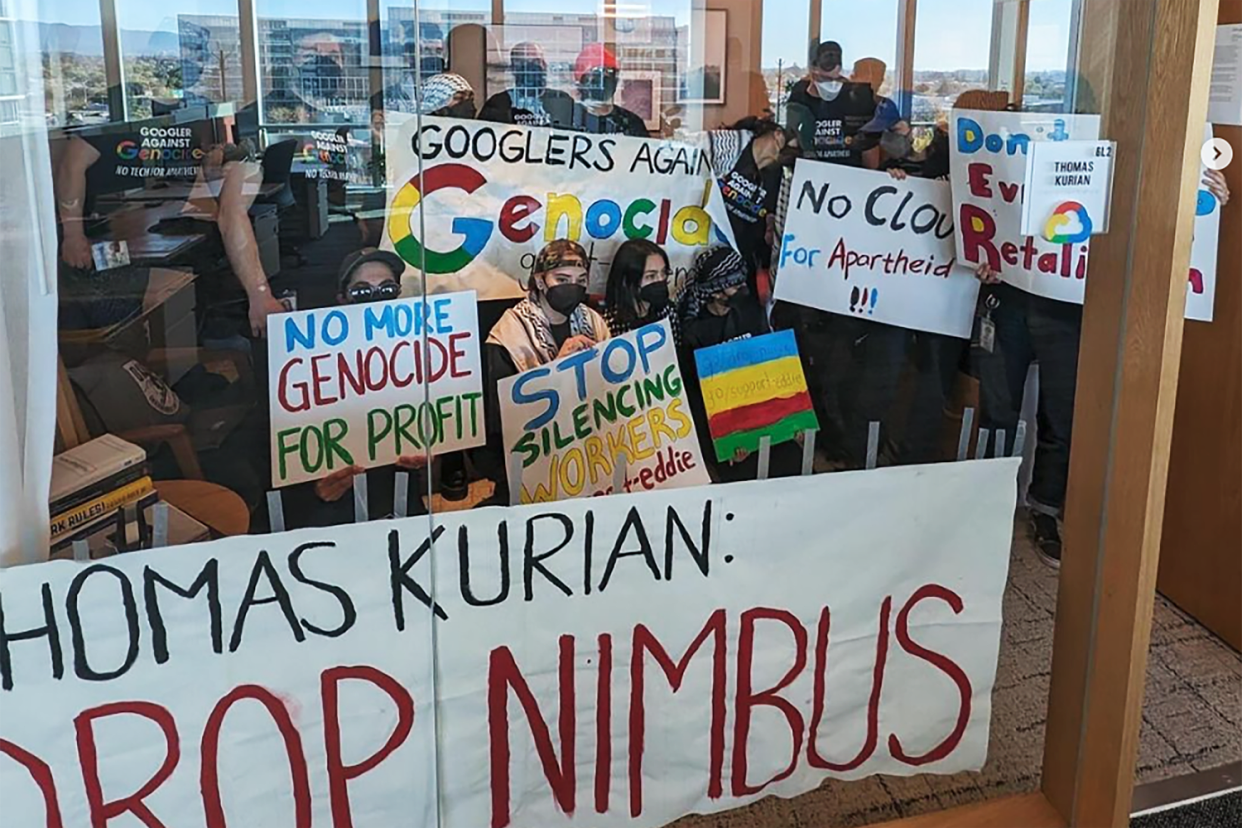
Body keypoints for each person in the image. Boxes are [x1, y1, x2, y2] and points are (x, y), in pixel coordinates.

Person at [966, 90, 1232, 566]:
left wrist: (1203, 192)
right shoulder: (1024, 148)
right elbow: (990, 207)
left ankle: (1044, 510)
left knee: (1063, 416)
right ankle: (984, 506)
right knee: (998, 410)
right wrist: (984, 257)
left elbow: (1155, 205)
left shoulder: (1126, 159)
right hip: (1008, 296)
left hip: (1071, 307)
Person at [53, 123, 285, 337]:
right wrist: (73, 234)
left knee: (131, 276)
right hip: (90, 240)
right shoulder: (129, 125)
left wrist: (260, 293)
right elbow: (72, 162)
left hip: (124, 243)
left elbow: (230, 216)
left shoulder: (236, 169)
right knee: (113, 286)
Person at [283, 248, 428, 528]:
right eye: (362, 292)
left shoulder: (417, 355)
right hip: (333, 516)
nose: (375, 300)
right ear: (342, 299)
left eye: (386, 289)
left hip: (400, 506)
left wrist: (432, 454)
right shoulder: (310, 365)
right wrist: (312, 492)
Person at [477, 240, 612, 503]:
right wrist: (556, 369)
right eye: (562, 278)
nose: (572, 287)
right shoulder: (509, 335)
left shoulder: (593, 321)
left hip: (588, 455)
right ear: (540, 281)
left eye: (580, 279)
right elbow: (501, 419)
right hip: (531, 464)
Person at [677, 245, 801, 482]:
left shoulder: (751, 313)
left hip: (768, 423)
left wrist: (793, 420)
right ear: (715, 291)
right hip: (731, 440)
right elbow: (695, 397)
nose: (742, 289)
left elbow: (774, 368)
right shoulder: (695, 333)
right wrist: (724, 444)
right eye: (735, 285)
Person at [701, 117, 796, 290]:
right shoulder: (728, 145)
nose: (789, 154)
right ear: (778, 134)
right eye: (791, 147)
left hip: (739, 262)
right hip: (702, 247)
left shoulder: (779, 179)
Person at [785, 41, 879, 167]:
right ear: (814, 70)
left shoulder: (856, 98)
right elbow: (792, 140)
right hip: (811, 174)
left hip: (849, 174)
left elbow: (869, 149)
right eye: (824, 80)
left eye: (835, 80)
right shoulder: (800, 96)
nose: (830, 86)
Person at [478, 42, 575, 128]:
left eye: (536, 61)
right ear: (513, 69)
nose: (531, 68)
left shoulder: (561, 100)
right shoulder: (497, 104)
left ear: (544, 65)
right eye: (523, 63)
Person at [602, 239, 677, 339]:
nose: (660, 280)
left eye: (663, 273)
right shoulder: (608, 322)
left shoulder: (668, 311)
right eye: (651, 276)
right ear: (627, 280)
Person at [569, 43, 648, 137]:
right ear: (581, 82)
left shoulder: (631, 123)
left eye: (609, 74)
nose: (602, 82)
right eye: (595, 74)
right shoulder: (570, 119)